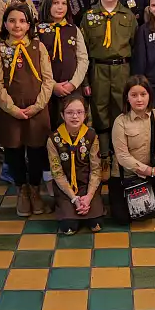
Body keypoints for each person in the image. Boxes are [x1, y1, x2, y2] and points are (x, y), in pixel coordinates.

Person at [0, 3, 55, 217]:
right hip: (11, 110)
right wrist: (12, 109)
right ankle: (22, 190)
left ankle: (35, 189)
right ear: (5, 24)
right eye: (11, 21)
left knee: (37, 150)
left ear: (29, 24)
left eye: (21, 21)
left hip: (37, 108)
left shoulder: (38, 47)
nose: (16, 25)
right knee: (14, 150)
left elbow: (48, 80)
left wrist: (37, 106)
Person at [81, 0, 137, 171]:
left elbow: (135, 46)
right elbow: (83, 51)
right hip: (98, 70)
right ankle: (104, 156)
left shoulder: (128, 16)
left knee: (121, 111)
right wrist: (86, 82)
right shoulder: (89, 17)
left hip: (122, 69)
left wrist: (134, 80)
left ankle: (121, 157)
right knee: (99, 112)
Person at [109, 76, 155, 225]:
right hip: (126, 176)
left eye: (143, 94)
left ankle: (154, 196)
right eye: (134, 95)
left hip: (150, 174)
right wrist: (151, 171)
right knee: (121, 219)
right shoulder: (120, 121)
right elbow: (122, 157)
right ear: (127, 98)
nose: (139, 99)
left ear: (149, 96)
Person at [47, 95, 104, 234]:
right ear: (62, 115)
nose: (75, 116)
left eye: (79, 112)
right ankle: (65, 207)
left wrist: (89, 196)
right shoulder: (54, 139)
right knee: (68, 227)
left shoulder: (91, 136)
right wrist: (74, 198)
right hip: (67, 190)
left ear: (85, 115)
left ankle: (90, 204)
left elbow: (96, 169)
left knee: (96, 225)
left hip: (87, 186)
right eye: (69, 112)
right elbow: (57, 172)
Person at [37, 0, 90, 128]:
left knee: (71, 126)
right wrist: (52, 86)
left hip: (72, 88)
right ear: (48, 4)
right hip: (46, 89)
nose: (60, 7)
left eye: (63, 3)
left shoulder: (74, 29)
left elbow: (83, 59)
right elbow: (35, 62)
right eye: (55, 3)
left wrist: (73, 83)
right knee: (49, 127)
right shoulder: (38, 30)